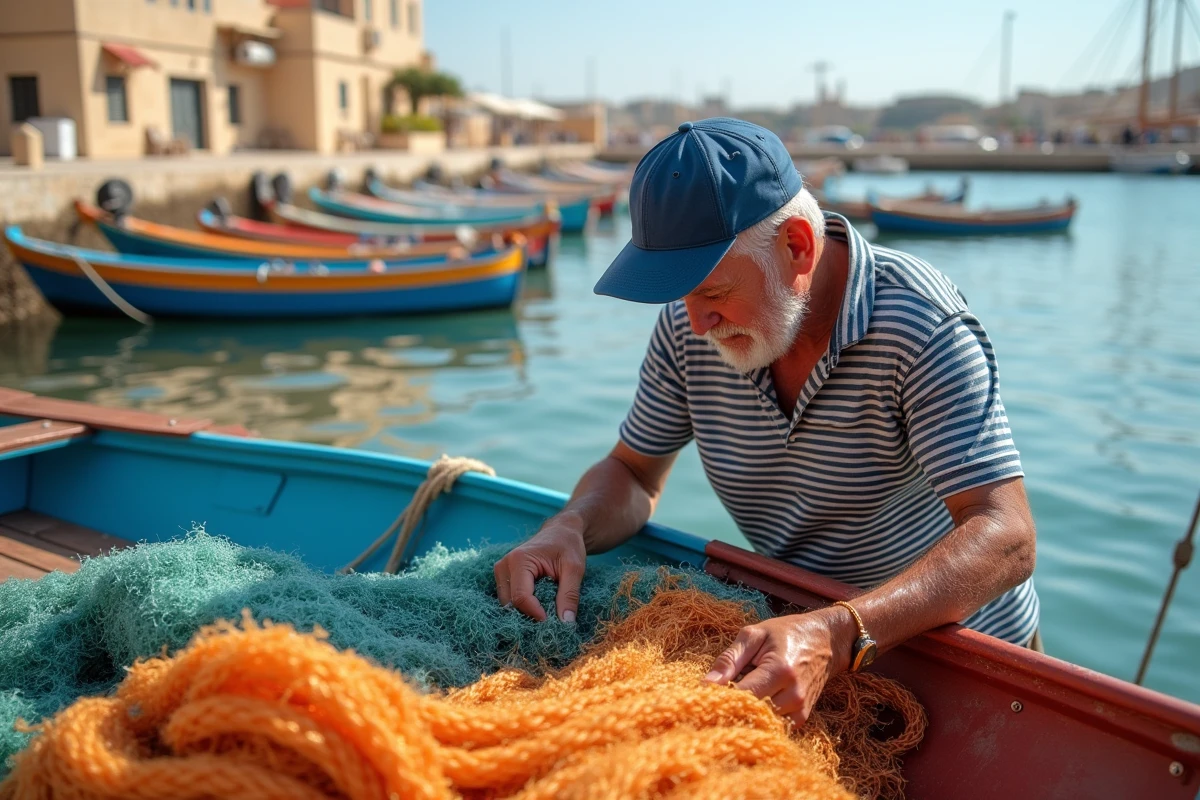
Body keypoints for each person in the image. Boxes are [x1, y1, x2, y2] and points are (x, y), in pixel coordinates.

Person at [493, 118, 1039, 724]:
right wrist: (570, 525)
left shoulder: (920, 326)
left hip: (971, 663)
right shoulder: (690, 328)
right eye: (681, 297)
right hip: (796, 644)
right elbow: (634, 473)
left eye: (712, 292)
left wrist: (840, 632)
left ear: (799, 247)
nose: (697, 323)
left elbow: (1006, 536)